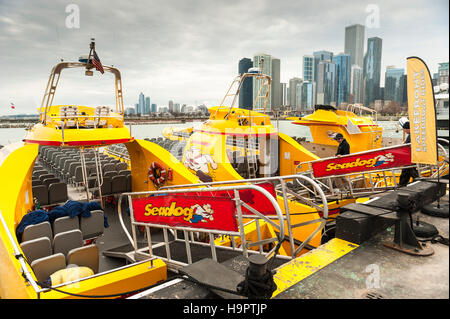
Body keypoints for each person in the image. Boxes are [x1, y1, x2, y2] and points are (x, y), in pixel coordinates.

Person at [398, 120, 419, 187]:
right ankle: (402, 184)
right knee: (407, 171)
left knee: (410, 171)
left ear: (407, 129)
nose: (404, 131)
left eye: (404, 129)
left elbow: (407, 145)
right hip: (411, 156)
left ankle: (404, 184)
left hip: (410, 157)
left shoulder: (411, 136)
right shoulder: (413, 134)